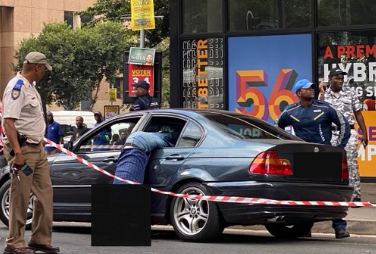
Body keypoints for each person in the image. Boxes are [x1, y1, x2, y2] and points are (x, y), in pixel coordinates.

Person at [277, 79, 351, 239]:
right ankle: (305, 228)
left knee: (332, 193)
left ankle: (340, 227)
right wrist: (284, 147)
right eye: (307, 88)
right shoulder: (290, 111)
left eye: (312, 88)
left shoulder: (325, 107)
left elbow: (344, 124)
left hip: (325, 155)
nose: (311, 90)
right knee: (304, 194)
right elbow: (276, 128)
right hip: (303, 157)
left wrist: (338, 147)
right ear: (299, 93)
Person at [2, 52, 59, 254]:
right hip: (23, 149)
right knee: (21, 195)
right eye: (44, 68)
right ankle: (14, 243)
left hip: (38, 148)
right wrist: (17, 153)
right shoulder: (16, 87)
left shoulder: (31, 87)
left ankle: (40, 239)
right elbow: (9, 122)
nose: (44, 72)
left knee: (45, 193)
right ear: (37, 67)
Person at [319, 68, 368, 203]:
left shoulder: (350, 93)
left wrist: (364, 132)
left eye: (342, 78)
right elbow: (319, 112)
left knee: (351, 164)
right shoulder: (324, 95)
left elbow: (358, 113)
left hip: (348, 132)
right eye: (337, 78)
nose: (340, 81)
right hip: (331, 133)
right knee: (331, 165)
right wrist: (322, 93)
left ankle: (355, 195)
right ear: (330, 79)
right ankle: (334, 195)